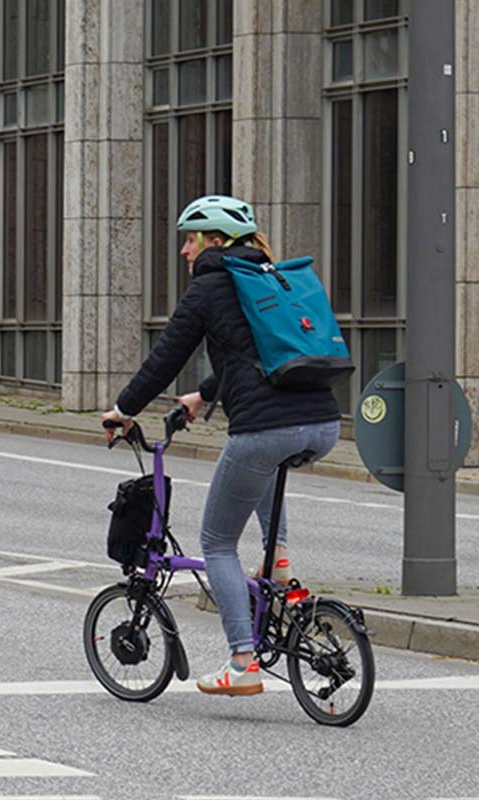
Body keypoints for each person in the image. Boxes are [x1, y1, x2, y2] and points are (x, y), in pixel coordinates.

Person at [101, 195, 341, 697]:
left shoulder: (211, 285)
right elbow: (253, 354)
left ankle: (242, 661)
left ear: (214, 240)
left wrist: (123, 411)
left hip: (265, 428)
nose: (185, 251)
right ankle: (277, 560)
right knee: (264, 468)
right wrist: (203, 395)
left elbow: (166, 356)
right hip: (322, 423)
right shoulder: (268, 277)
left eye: (191, 239)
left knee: (216, 544)